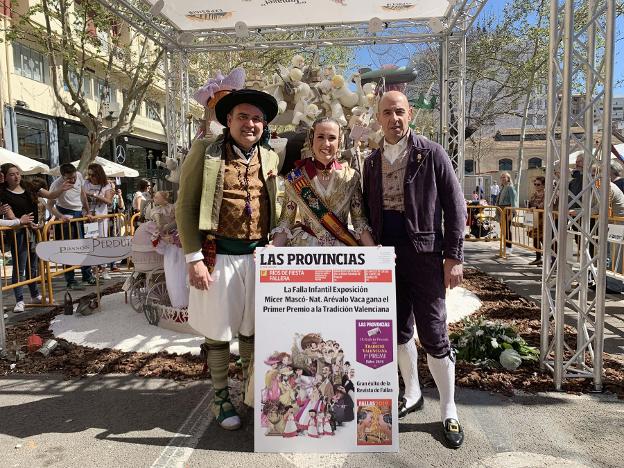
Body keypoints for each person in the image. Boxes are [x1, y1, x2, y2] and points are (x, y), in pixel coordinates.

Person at [362, 91, 467, 449]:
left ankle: (449, 410)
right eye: (388, 112)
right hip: (384, 257)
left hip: (424, 254)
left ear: (411, 116)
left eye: (401, 112)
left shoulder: (431, 153)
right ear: (378, 118)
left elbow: (455, 207)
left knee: (435, 333)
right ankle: (412, 393)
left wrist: (453, 257)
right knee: (398, 331)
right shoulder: (371, 162)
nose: (394, 118)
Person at [177, 88, 282, 431]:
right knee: (219, 331)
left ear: (264, 125)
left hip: (258, 259)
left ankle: (252, 393)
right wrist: (193, 258)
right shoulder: (205, 152)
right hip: (217, 255)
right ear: (228, 120)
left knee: (253, 330)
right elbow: (186, 205)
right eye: (243, 117)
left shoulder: (270, 158)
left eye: (257, 119)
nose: (250, 124)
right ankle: (221, 396)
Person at [272, 117, 375, 247]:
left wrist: (374, 251)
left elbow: (359, 221)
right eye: (320, 137)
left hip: (341, 249)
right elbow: (286, 221)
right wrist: (272, 250)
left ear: (339, 141)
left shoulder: (351, 177)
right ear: (311, 139)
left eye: (332, 138)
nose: (326, 144)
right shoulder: (296, 177)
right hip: (306, 250)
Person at [0, 164, 44, 312]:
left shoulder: (28, 191)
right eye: (12, 174)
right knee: (19, 267)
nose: (16, 176)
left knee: (32, 266)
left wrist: (34, 224)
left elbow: (37, 209)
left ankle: (35, 294)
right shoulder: (3, 193)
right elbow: (10, 216)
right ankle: (19, 300)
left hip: (31, 232)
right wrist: (20, 221)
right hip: (17, 234)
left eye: (18, 173)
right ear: (5, 177)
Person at [47, 163, 95, 290]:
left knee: (84, 246)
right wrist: (61, 216)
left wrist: (88, 211)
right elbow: (49, 205)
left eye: (73, 177)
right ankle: (70, 279)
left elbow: (83, 195)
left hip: (79, 214)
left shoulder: (79, 176)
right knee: (68, 248)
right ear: (62, 176)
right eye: (69, 178)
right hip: (65, 215)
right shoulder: (56, 185)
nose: (72, 180)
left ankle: (87, 275)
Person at [83, 163, 114, 279]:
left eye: (93, 175)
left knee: (102, 242)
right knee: (92, 243)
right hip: (89, 217)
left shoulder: (106, 185)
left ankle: (104, 269)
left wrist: (94, 195)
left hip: (101, 218)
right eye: (89, 174)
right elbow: (82, 198)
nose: (91, 177)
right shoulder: (85, 183)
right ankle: (95, 269)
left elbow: (109, 201)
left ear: (98, 174)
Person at [496, 172, 517, 255]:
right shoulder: (502, 188)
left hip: (507, 210)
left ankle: (509, 247)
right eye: (501, 177)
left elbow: (513, 201)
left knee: (507, 229)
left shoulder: (510, 188)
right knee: (503, 229)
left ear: (508, 178)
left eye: (504, 177)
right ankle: (505, 245)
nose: (503, 179)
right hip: (501, 210)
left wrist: (511, 213)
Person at [528, 176, 545, 266]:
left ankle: (547, 259)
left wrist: (537, 208)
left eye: (538, 184)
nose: (536, 186)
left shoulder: (546, 194)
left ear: (543, 185)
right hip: (534, 219)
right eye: (535, 184)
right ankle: (538, 258)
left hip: (543, 220)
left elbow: (545, 204)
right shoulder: (534, 194)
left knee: (543, 239)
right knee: (535, 239)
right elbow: (531, 203)